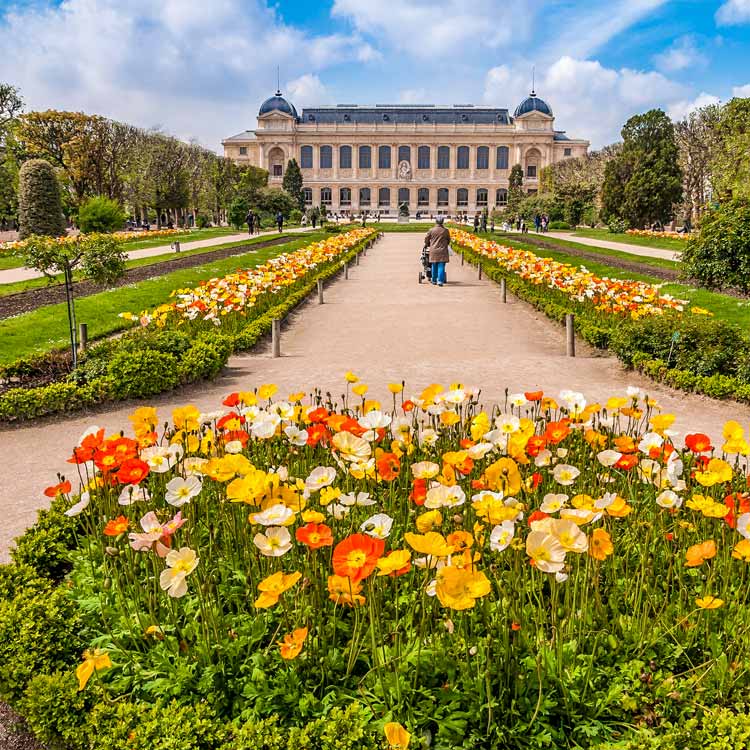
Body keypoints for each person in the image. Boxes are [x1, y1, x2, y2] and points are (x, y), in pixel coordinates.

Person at [424, 215, 450, 287]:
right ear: (442, 222)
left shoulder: (431, 230)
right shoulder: (446, 230)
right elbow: (448, 240)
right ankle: (440, 281)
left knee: (434, 265)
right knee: (441, 266)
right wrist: (445, 245)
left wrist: (427, 244)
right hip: (442, 250)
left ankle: (434, 280)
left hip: (433, 250)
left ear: (436, 221)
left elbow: (426, 239)